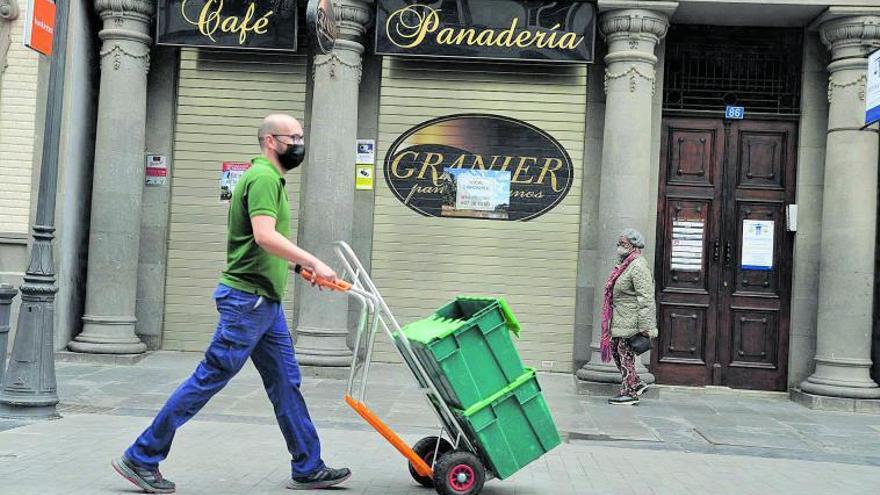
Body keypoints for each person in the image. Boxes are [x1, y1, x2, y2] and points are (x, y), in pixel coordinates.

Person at [112, 114, 351, 493]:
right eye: (294, 137)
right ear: (271, 141)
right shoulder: (263, 179)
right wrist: (313, 260)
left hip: (263, 304)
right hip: (247, 302)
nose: (300, 143)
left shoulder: (267, 178)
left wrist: (295, 268)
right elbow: (263, 236)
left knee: (286, 383)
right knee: (209, 378)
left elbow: (259, 245)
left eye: (302, 136)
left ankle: (308, 465)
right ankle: (142, 456)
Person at [599, 228, 658, 406]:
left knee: (624, 354)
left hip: (631, 319)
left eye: (623, 244)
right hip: (621, 318)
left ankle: (629, 392)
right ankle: (636, 383)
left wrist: (646, 326)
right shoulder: (626, 264)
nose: (619, 247)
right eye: (619, 244)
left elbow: (646, 297)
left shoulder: (638, 266)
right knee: (617, 351)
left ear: (633, 246)